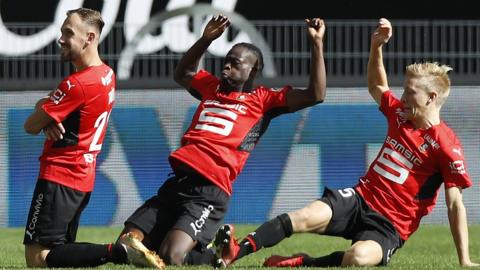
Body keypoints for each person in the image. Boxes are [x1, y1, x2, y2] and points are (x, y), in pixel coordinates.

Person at [212, 18, 479, 268]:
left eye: (410, 92)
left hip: (390, 226)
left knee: (359, 258)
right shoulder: (400, 114)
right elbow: (378, 86)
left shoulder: (445, 145)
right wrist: (376, 47)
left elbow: (455, 204)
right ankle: (236, 251)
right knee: (303, 216)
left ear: (431, 98)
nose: (403, 96)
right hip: (360, 199)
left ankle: (303, 262)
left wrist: (464, 260)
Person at [113, 14, 326, 266]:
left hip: (209, 193)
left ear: (253, 70)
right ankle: (213, 252)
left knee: (171, 256)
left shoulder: (264, 101)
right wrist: (205, 40)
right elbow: (182, 73)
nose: (226, 67)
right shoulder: (210, 87)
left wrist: (316, 44)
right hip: (178, 184)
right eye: (226, 62)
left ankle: (216, 255)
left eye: (235, 64)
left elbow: (316, 94)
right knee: (124, 245)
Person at [22, 8, 164, 269]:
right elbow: (51, 110)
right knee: (59, 252)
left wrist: (45, 117)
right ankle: (119, 251)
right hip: (82, 179)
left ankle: (119, 252)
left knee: (38, 258)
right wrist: (49, 116)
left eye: (68, 32)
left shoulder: (75, 84)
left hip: (59, 176)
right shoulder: (106, 75)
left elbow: (30, 125)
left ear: (89, 38)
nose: (61, 39)